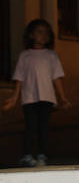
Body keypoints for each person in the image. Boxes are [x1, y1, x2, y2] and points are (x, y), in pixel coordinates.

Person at [5, 19, 69, 167]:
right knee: (30, 127)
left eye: (46, 32)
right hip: (29, 98)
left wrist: (62, 97)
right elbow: (19, 78)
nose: (44, 35)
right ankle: (27, 155)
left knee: (43, 128)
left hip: (47, 98)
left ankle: (41, 155)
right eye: (40, 32)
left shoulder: (51, 56)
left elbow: (56, 78)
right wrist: (14, 98)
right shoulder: (25, 55)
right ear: (31, 35)